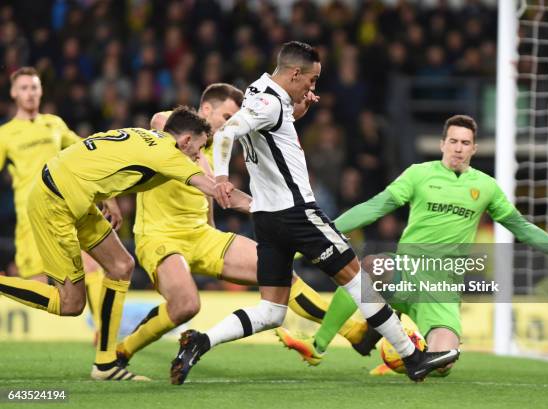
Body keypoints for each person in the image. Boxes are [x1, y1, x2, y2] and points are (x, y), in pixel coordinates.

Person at [170, 41, 459, 385]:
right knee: (359, 280)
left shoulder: (257, 92)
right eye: (312, 80)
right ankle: (413, 358)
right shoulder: (268, 102)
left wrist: (296, 114)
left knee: (271, 311)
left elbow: (266, 128)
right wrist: (220, 177)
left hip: (266, 219)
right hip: (297, 213)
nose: (312, 87)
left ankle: (201, 341)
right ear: (295, 73)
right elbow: (227, 134)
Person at [276, 114, 548, 375]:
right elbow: (375, 207)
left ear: (474, 149)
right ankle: (318, 345)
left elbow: (522, 228)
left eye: (466, 143)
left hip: (443, 287)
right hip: (405, 273)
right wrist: (325, 233)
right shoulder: (419, 174)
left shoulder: (486, 187)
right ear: (443, 143)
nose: (459, 148)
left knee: (443, 362)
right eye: (454, 141)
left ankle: (388, 345)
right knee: (373, 265)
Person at [116, 83, 366, 365]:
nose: (229, 125)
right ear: (206, 109)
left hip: (202, 236)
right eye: (225, 118)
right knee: (186, 307)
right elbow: (160, 122)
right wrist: (201, 162)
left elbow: (229, 197)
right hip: (159, 237)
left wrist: (277, 211)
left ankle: (353, 331)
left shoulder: (219, 149)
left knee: (281, 276)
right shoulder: (178, 130)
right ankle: (123, 350)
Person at [0, 107, 243, 381]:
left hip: (73, 193)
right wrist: (266, 208)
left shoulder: (143, 136)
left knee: (121, 265)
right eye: (197, 150)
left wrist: (108, 197)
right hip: (54, 202)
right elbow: (215, 190)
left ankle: (104, 365)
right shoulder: (169, 155)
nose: (198, 157)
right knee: (70, 303)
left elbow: (94, 150)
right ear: (185, 141)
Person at [0, 66, 111, 336]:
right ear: (14, 93)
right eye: (24, 88)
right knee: (42, 287)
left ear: (41, 91)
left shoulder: (55, 124)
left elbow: (83, 149)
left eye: (34, 87)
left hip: (63, 211)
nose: (30, 93)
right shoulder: (5, 134)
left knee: (94, 266)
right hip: (30, 220)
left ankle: (103, 336)